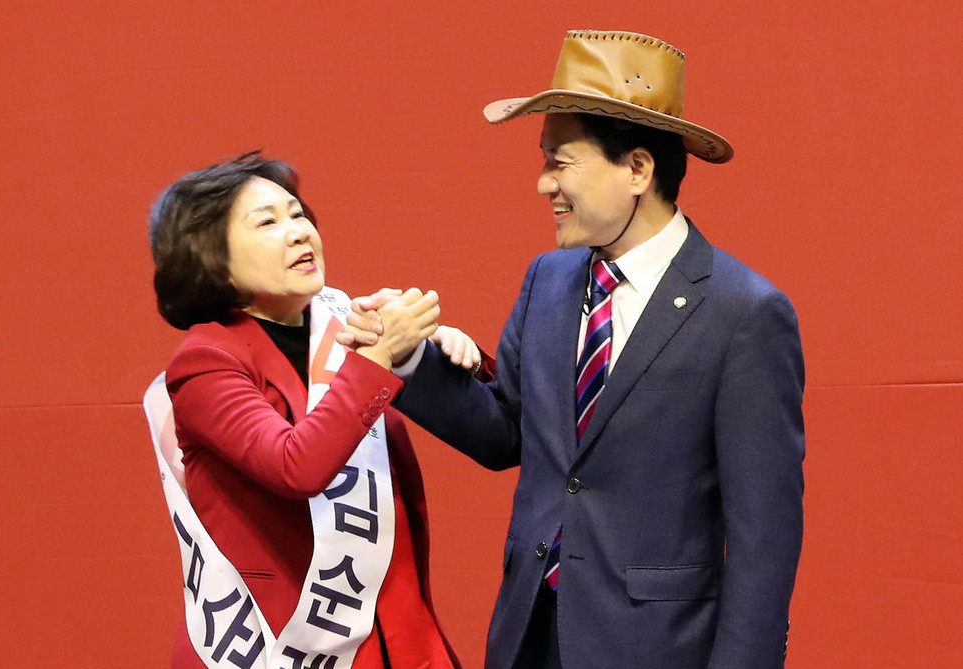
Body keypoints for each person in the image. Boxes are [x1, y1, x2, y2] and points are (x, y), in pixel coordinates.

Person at [343, 30, 805, 668]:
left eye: (560, 162)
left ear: (638, 168)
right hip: (531, 634)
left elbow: (766, 539)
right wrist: (407, 359)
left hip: (657, 649)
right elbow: (508, 431)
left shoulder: (744, 313)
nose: (542, 185)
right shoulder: (548, 279)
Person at [146, 153, 481, 668]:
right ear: (210, 255)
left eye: (298, 214)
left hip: (397, 637)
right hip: (278, 641)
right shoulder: (206, 361)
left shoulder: (345, 322)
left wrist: (429, 354)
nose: (299, 232)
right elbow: (295, 465)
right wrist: (380, 355)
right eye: (268, 222)